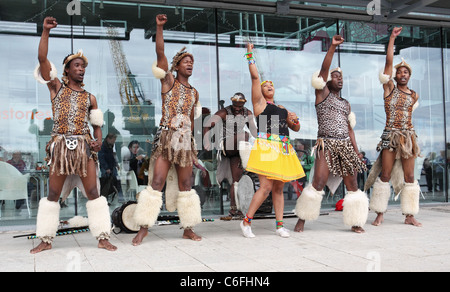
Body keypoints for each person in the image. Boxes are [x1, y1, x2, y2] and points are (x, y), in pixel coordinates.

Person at [30, 16, 116, 253]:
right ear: (67, 69)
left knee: (93, 192)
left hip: (83, 148)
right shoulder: (56, 87)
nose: (81, 69)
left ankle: (102, 236)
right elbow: (42, 59)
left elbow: (97, 124)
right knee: (54, 193)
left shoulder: (90, 97)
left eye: (83, 66)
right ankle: (46, 239)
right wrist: (46, 31)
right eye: (77, 65)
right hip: (60, 148)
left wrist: (98, 140)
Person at [131, 14, 202, 246]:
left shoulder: (194, 92)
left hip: (184, 142)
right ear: (176, 65)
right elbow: (160, 54)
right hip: (166, 138)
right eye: (186, 61)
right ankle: (143, 228)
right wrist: (159, 28)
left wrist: (193, 147)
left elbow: (191, 121)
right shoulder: (169, 81)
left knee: (186, 186)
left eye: (192, 62)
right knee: (157, 181)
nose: (190, 64)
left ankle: (188, 228)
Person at [294, 35, 369, 234]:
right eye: (336, 76)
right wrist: (332, 48)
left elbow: (350, 129)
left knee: (352, 184)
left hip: (345, 146)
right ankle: (302, 218)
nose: (340, 79)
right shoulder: (322, 95)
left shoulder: (346, 103)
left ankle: (356, 221)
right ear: (328, 80)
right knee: (318, 182)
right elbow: (322, 72)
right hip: (326, 144)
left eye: (341, 77)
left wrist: (356, 150)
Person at [240, 43, 305, 238]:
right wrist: (250, 53)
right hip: (267, 146)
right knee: (266, 186)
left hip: (283, 147)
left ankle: (279, 225)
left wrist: (295, 120)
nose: (269, 85)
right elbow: (255, 77)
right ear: (260, 91)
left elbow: (295, 128)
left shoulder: (282, 108)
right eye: (265, 85)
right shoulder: (259, 103)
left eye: (272, 85)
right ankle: (246, 222)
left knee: (278, 187)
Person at [364, 27, 422, 227]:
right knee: (385, 174)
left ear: (409, 76)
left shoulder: (414, 95)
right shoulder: (389, 89)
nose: (402, 74)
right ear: (395, 76)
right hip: (390, 136)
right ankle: (380, 212)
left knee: (410, 176)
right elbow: (388, 64)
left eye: (406, 72)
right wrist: (391, 39)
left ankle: (409, 215)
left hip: (408, 138)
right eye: (400, 72)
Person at [203, 92, 257, 216]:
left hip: (238, 149)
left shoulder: (248, 113)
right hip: (226, 144)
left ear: (244, 104)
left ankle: (234, 209)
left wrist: (265, 138)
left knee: (235, 180)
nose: (237, 109)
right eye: (235, 106)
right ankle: (248, 164)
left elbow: (254, 132)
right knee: (245, 135)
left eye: (239, 106)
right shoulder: (224, 112)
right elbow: (207, 125)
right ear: (232, 103)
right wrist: (206, 141)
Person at [98, 133, 124, 203]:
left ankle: (120, 197)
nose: (114, 141)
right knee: (106, 183)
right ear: (108, 139)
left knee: (117, 181)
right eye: (113, 139)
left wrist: (116, 164)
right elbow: (101, 158)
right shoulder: (103, 146)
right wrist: (106, 168)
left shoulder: (111, 145)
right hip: (105, 168)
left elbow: (113, 156)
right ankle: (104, 197)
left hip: (112, 166)